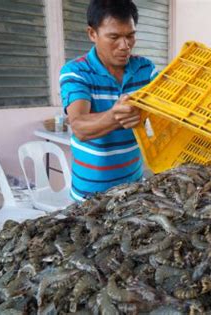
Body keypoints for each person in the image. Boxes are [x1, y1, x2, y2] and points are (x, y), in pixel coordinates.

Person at [59, 0, 157, 201]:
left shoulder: (145, 69)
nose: (124, 46)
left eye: (130, 36)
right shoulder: (76, 72)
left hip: (133, 189)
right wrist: (114, 116)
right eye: (114, 37)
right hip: (89, 197)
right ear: (92, 34)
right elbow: (79, 127)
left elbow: (173, 99)